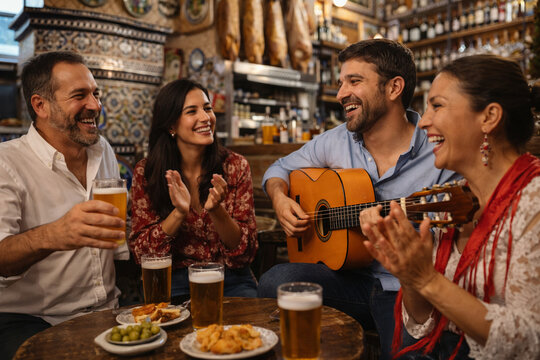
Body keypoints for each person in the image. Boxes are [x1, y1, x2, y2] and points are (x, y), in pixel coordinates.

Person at [257, 38, 458, 359]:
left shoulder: (438, 148)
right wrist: (280, 198)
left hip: (405, 288)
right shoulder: (335, 141)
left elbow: (456, 238)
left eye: (354, 81)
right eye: (340, 83)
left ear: (394, 88)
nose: (340, 94)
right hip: (345, 278)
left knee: (416, 354)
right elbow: (279, 169)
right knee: (275, 281)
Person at [359, 54, 540, 359]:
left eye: (437, 105)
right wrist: (409, 273)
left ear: (489, 117)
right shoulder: (450, 201)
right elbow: (422, 326)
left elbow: (531, 340)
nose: (424, 121)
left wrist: (429, 280)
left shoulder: (533, 201)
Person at [0, 51, 127, 359]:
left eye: (96, 94)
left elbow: (119, 239)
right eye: (79, 96)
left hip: (108, 313)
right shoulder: (6, 162)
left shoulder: (103, 150)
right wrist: (55, 235)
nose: (96, 106)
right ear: (40, 105)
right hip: (30, 319)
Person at [128, 79, 258, 300]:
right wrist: (178, 213)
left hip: (231, 280)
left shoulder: (235, 166)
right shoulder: (146, 173)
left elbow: (245, 253)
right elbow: (142, 254)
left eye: (207, 108)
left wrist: (217, 210)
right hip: (173, 282)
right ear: (171, 125)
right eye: (192, 111)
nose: (206, 118)